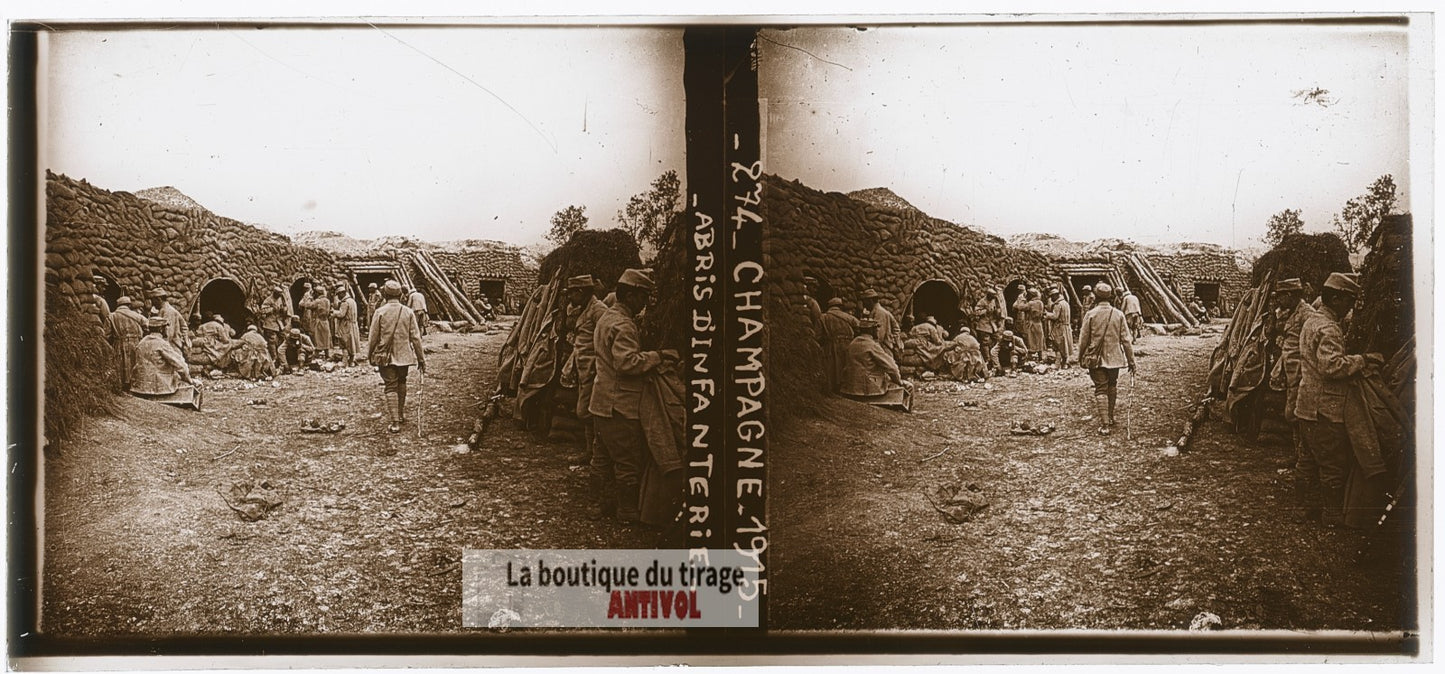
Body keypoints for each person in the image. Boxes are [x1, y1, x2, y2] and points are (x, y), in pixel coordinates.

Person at [1295, 272, 1381, 527]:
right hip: (1325, 409)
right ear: (1337, 299)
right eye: (1349, 302)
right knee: (1332, 465)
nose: (1350, 308)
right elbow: (1331, 366)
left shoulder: (1312, 320)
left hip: (1306, 405)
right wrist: (1363, 360)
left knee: (1307, 460)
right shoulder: (1329, 328)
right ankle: (1331, 516)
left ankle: (1302, 509)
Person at [590, 268, 671, 524]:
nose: (645, 303)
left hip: (601, 401)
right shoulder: (623, 324)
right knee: (627, 461)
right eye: (643, 297)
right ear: (632, 296)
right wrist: (658, 356)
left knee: (601, 457)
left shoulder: (606, 317)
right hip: (620, 406)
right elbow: (627, 363)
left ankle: (599, 505)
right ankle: (626, 512)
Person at [1267, 278, 1318, 521]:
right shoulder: (1290, 312)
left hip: (1300, 372)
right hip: (1290, 369)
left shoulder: (1307, 313)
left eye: (1283, 295)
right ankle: (1297, 453)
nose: (1279, 299)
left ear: (1292, 294)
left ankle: (1301, 456)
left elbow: (1307, 344)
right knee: (1291, 413)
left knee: (1298, 414)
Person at [565, 274, 611, 517]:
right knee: (584, 412)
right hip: (583, 369)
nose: (571, 297)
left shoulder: (599, 310)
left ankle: (594, 453)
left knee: (588, 412)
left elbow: (603, 340)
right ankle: (589, 451)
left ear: (582, 292)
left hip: (594, 370)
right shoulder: (584, 309)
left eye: (573, 293)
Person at [1076, 281, 1137, 435]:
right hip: (1114, 359)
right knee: (1112, 385)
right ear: (1110, 297)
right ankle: (1110, 417)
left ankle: (1104, 425)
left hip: (1095, 358)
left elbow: (1083, 339)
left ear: (1095, 297)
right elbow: (1126, 340)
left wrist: (1080, 356)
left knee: (1100, 388)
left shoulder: (1091, 314)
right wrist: (1131, 361)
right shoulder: (1118, 314)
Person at [369, 280, 426, 433]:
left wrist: (370, 354)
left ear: (385, 295)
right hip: (404, 356)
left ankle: (395, 422)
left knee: (390, 386)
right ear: (401, 295)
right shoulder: (408, 312)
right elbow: (416, 337)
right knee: (401, 382)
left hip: (385, 356)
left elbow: (373, 337)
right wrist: (421, 358)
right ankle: (400, 415)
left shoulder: (380, 312)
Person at [129, 315, 195, 398]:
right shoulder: (162, 344)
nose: (167, 330)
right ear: (161, 329)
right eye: (166, 328)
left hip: (139, 387)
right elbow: (180, 364)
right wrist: (189, 379)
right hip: (159, 389)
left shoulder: (141, 343)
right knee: (194, 386)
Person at [840, 319, 907, 397]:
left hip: (850, 388)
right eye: (876, 328)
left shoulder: (852, 344)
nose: (878, 331)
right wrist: (899, 381)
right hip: (870, 389)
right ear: (872, 330)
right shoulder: (872, 345)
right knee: (908, 387)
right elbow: (892, 368)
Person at [819, 297, 859, 393]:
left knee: (832, 366)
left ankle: (832, 389)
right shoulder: (848, 317)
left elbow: (818, 334)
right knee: (845, 365)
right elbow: (859, 327)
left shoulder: (823, 317)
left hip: (830, 344)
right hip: (847, 344)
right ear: (840, 307)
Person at [109, 295, 147, 389]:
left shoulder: (111, 316)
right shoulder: (137, 316)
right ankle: (134, 385)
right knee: (134, 362)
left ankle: (121, 385)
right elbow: (147, 326)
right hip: (135, 342)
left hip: (119, 342)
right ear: (129, 305)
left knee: (121, 363)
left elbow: (107, 333)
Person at [860, 289, 902, 357]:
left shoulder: (879, 313)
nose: (863, 304)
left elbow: (879, 337)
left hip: (883, 350)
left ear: (871, 300)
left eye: (865, 301)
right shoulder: (874, 312)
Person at [146, 288, 189, 352]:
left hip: (172, 348)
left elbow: (168, 334)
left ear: (159, 299)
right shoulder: (163, 310)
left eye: (153, 300)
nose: (152, 303)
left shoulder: (168, 311)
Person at [331, 284, 362, 367]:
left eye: (339, 295)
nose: (338, 297)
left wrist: (334, 312)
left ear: (342, 293)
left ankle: (345, 361)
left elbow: (341, 314)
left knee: (344, 343)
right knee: (352, 343)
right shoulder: (352, 301)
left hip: (346, 325)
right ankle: (352, 361)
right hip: (353, 323)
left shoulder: (345, 303)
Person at [260, 286, 292, 360]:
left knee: (283, 338)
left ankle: (282, 356)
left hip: (278, 322)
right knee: (272, 341)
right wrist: (272, 309)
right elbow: (263, 310)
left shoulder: (280, 299)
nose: (279, 296)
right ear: (274, 293)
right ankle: (274, 357)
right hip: (270, 323)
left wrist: (283, 310)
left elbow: (284, 306)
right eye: (277, 294)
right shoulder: (268, 300)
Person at [1013, 288, 1046, 359]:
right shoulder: (1040, 303)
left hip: (1031, 323)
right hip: (1039, 323)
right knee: (1039, 339)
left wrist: (1022, 299)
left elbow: (1020, 307)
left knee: (1031, 340)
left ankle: (1030, 356)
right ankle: (1040, 356)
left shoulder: (1031, 303)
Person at [1046, 288, 1075, 366]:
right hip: (1066, 326)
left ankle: (1058, 363)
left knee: (1058, 345)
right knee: (1065, 344)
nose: (1051, 298)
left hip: (1060, 327)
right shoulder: (1065, 303)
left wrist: (1047, 314)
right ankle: (1065, 362)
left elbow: (1055, 316)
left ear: (1056, 296)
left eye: (1052, 296)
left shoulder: (1058, 305)